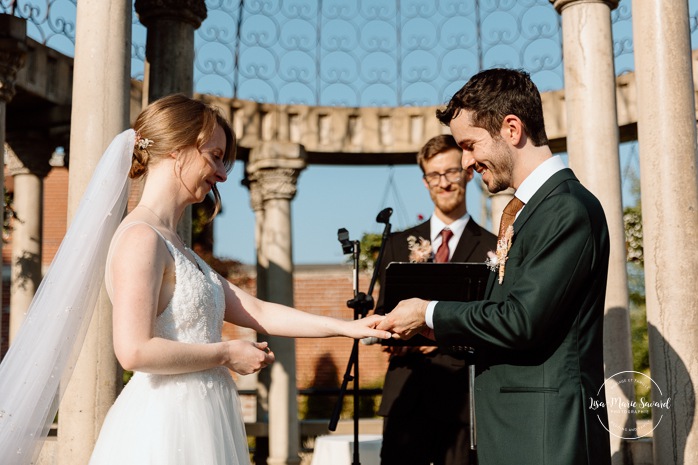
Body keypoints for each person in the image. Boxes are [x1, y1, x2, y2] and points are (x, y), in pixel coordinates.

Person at [0, 94, 390, 465]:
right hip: (166, 424)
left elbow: (256, 309)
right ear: (177, 149)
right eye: (215, 157)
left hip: (205, 415)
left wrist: (349, 327)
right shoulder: (141, 238)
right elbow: (134, 351)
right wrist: (226, 353)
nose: (221, 173)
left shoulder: (177, 245)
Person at [376, 69, 612, 465]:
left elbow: (520, 319)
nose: (467, 162)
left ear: (512, 128)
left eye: (470, 145)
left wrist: (426, 311)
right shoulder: (529, 210)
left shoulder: (566, 209)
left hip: (546, 434)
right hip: (515, 431)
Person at [375, 134, 496, 465]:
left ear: (468, 173)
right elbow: (382, 315)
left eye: (451, 172)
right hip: (405, 396)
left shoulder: (492, 247)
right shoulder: (398, 244)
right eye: (434, 175)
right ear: (425, 181)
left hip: (462, 402)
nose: (443, 183)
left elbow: (495, 320)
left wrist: (437, 332)